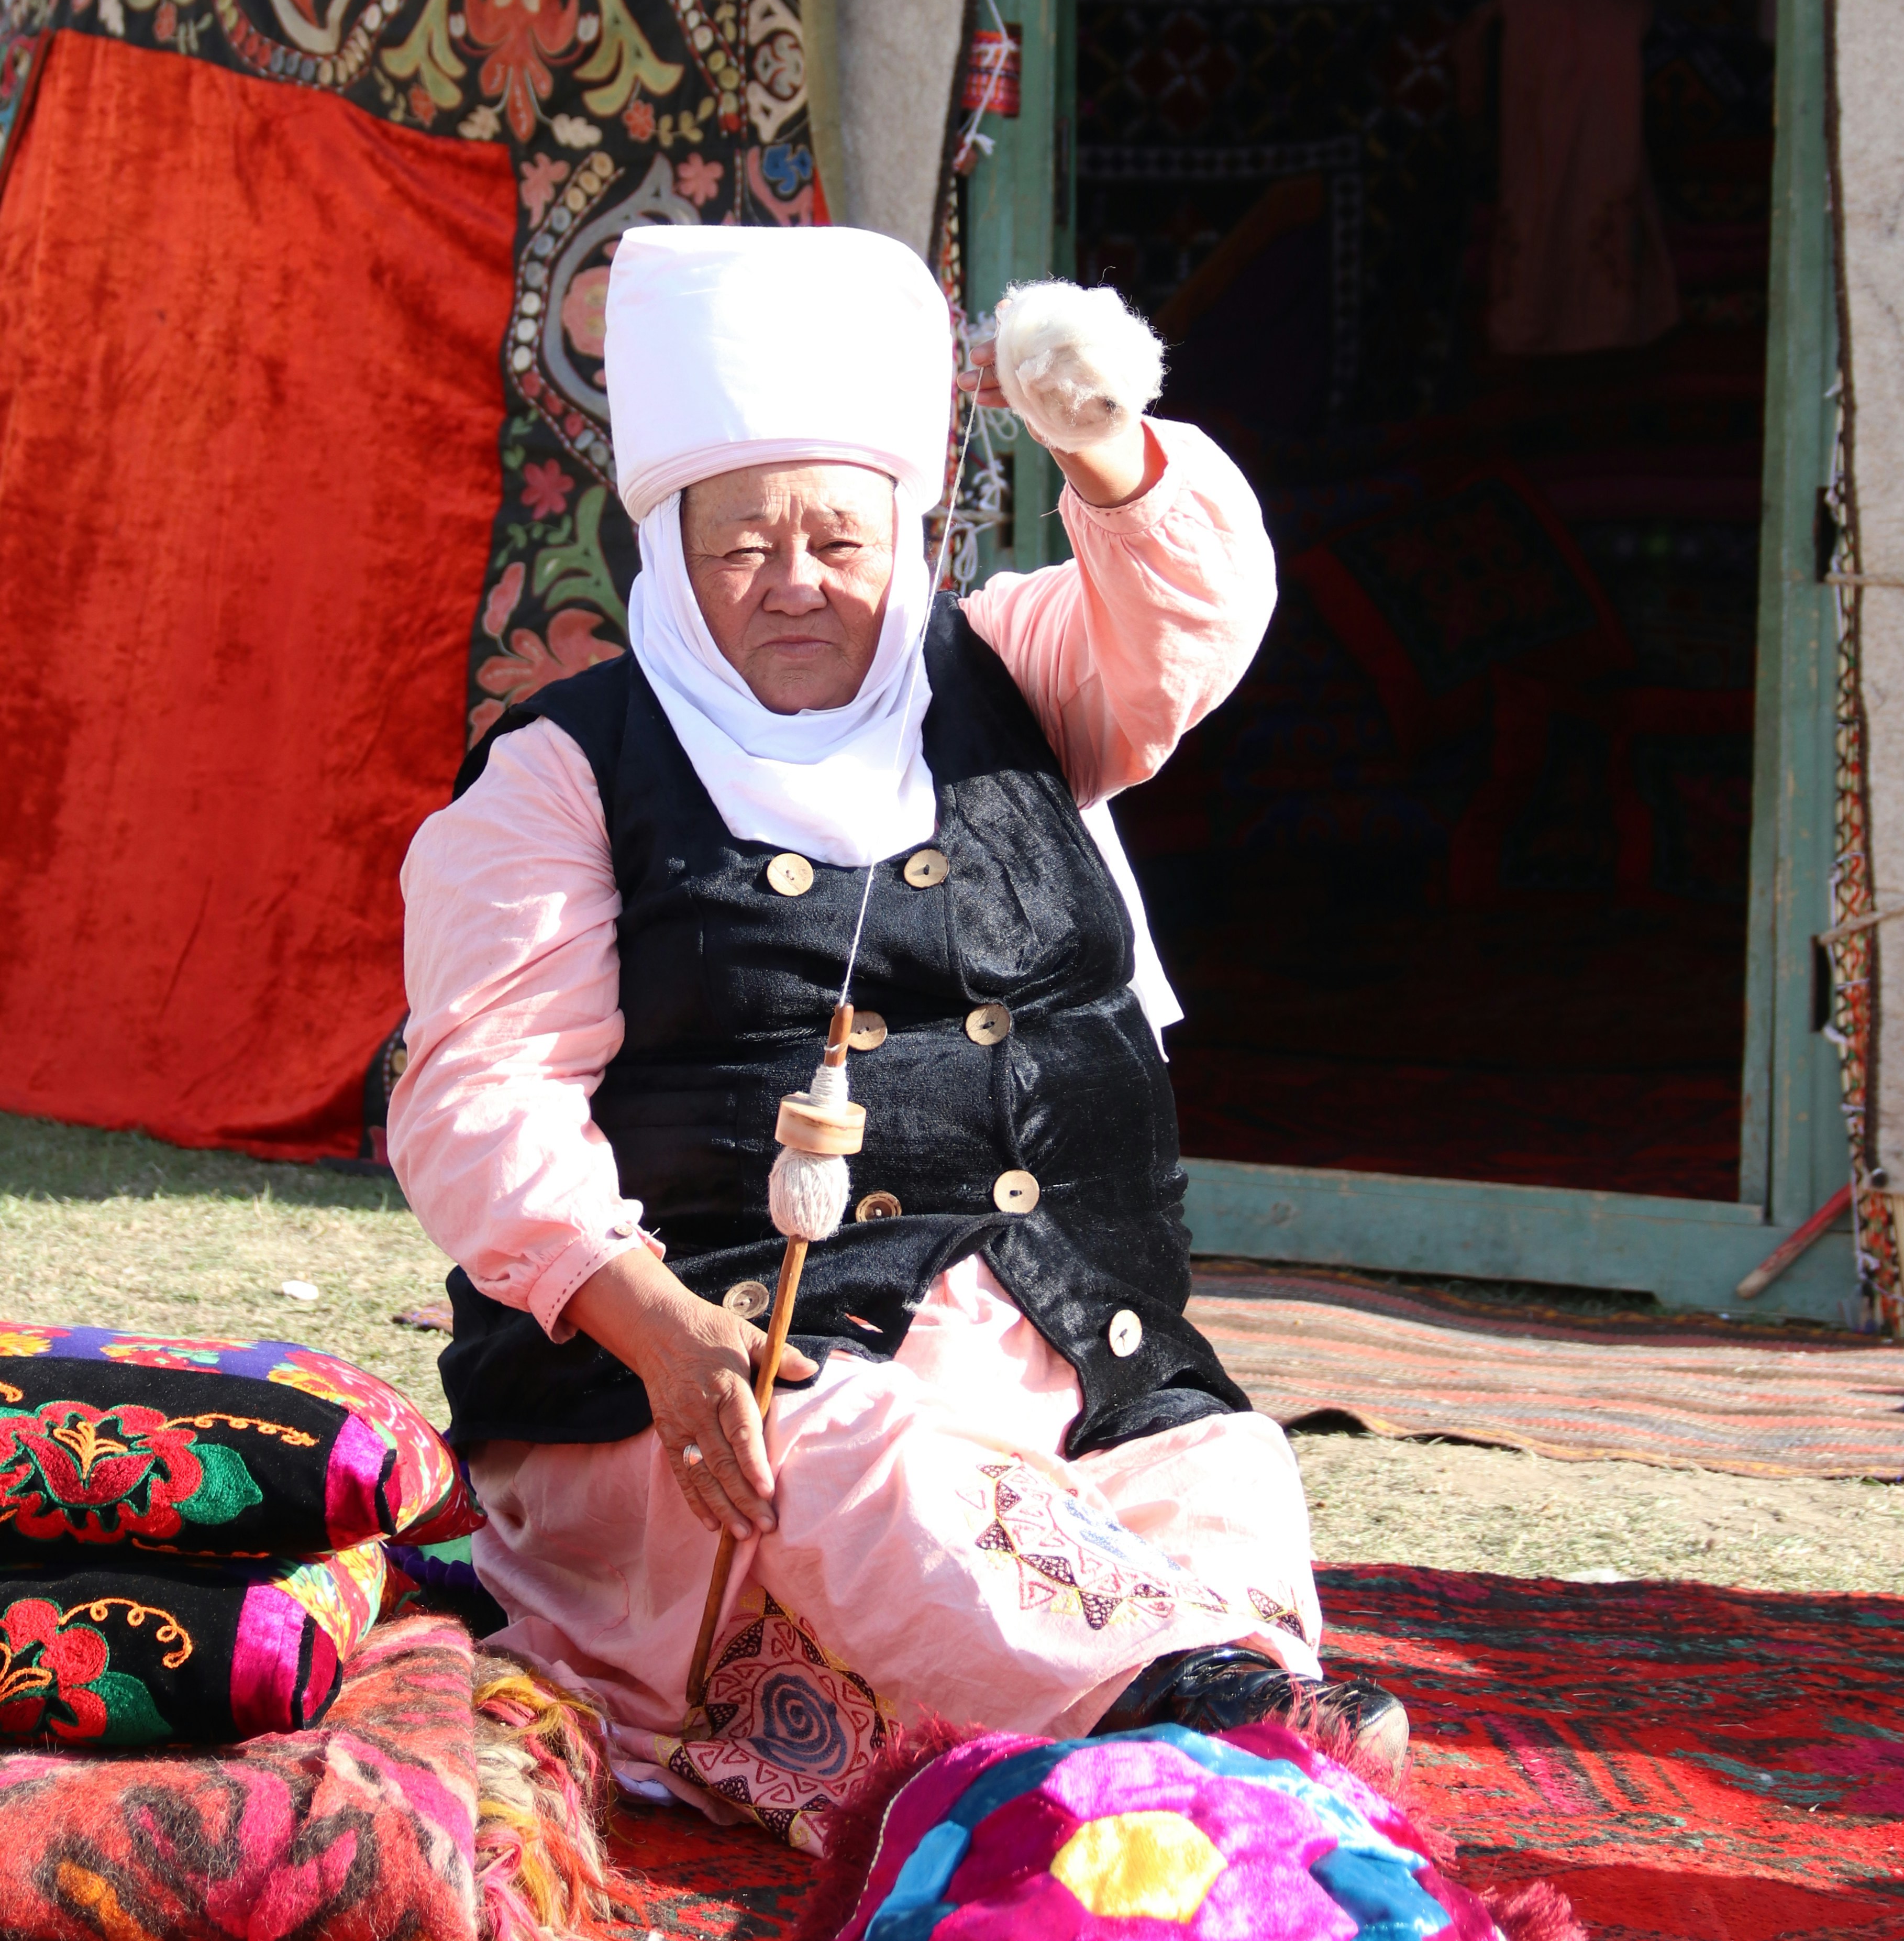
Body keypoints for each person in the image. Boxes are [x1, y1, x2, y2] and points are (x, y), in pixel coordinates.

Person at [389, 223, 1401, 1841]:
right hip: (724, 1385)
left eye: (839, 540)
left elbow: (1191, 621)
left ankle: (1205, 1716)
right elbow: (482, 1097)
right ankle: (1173, 1730)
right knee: (856, 1456)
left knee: (1216, 1465)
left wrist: (1104, 444)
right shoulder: (564, 772)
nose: (797, 583)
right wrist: (658, 1326)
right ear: (670, 550)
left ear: (906, 534)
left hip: (1069, 1345)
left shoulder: (1012, 676)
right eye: (743, 545)